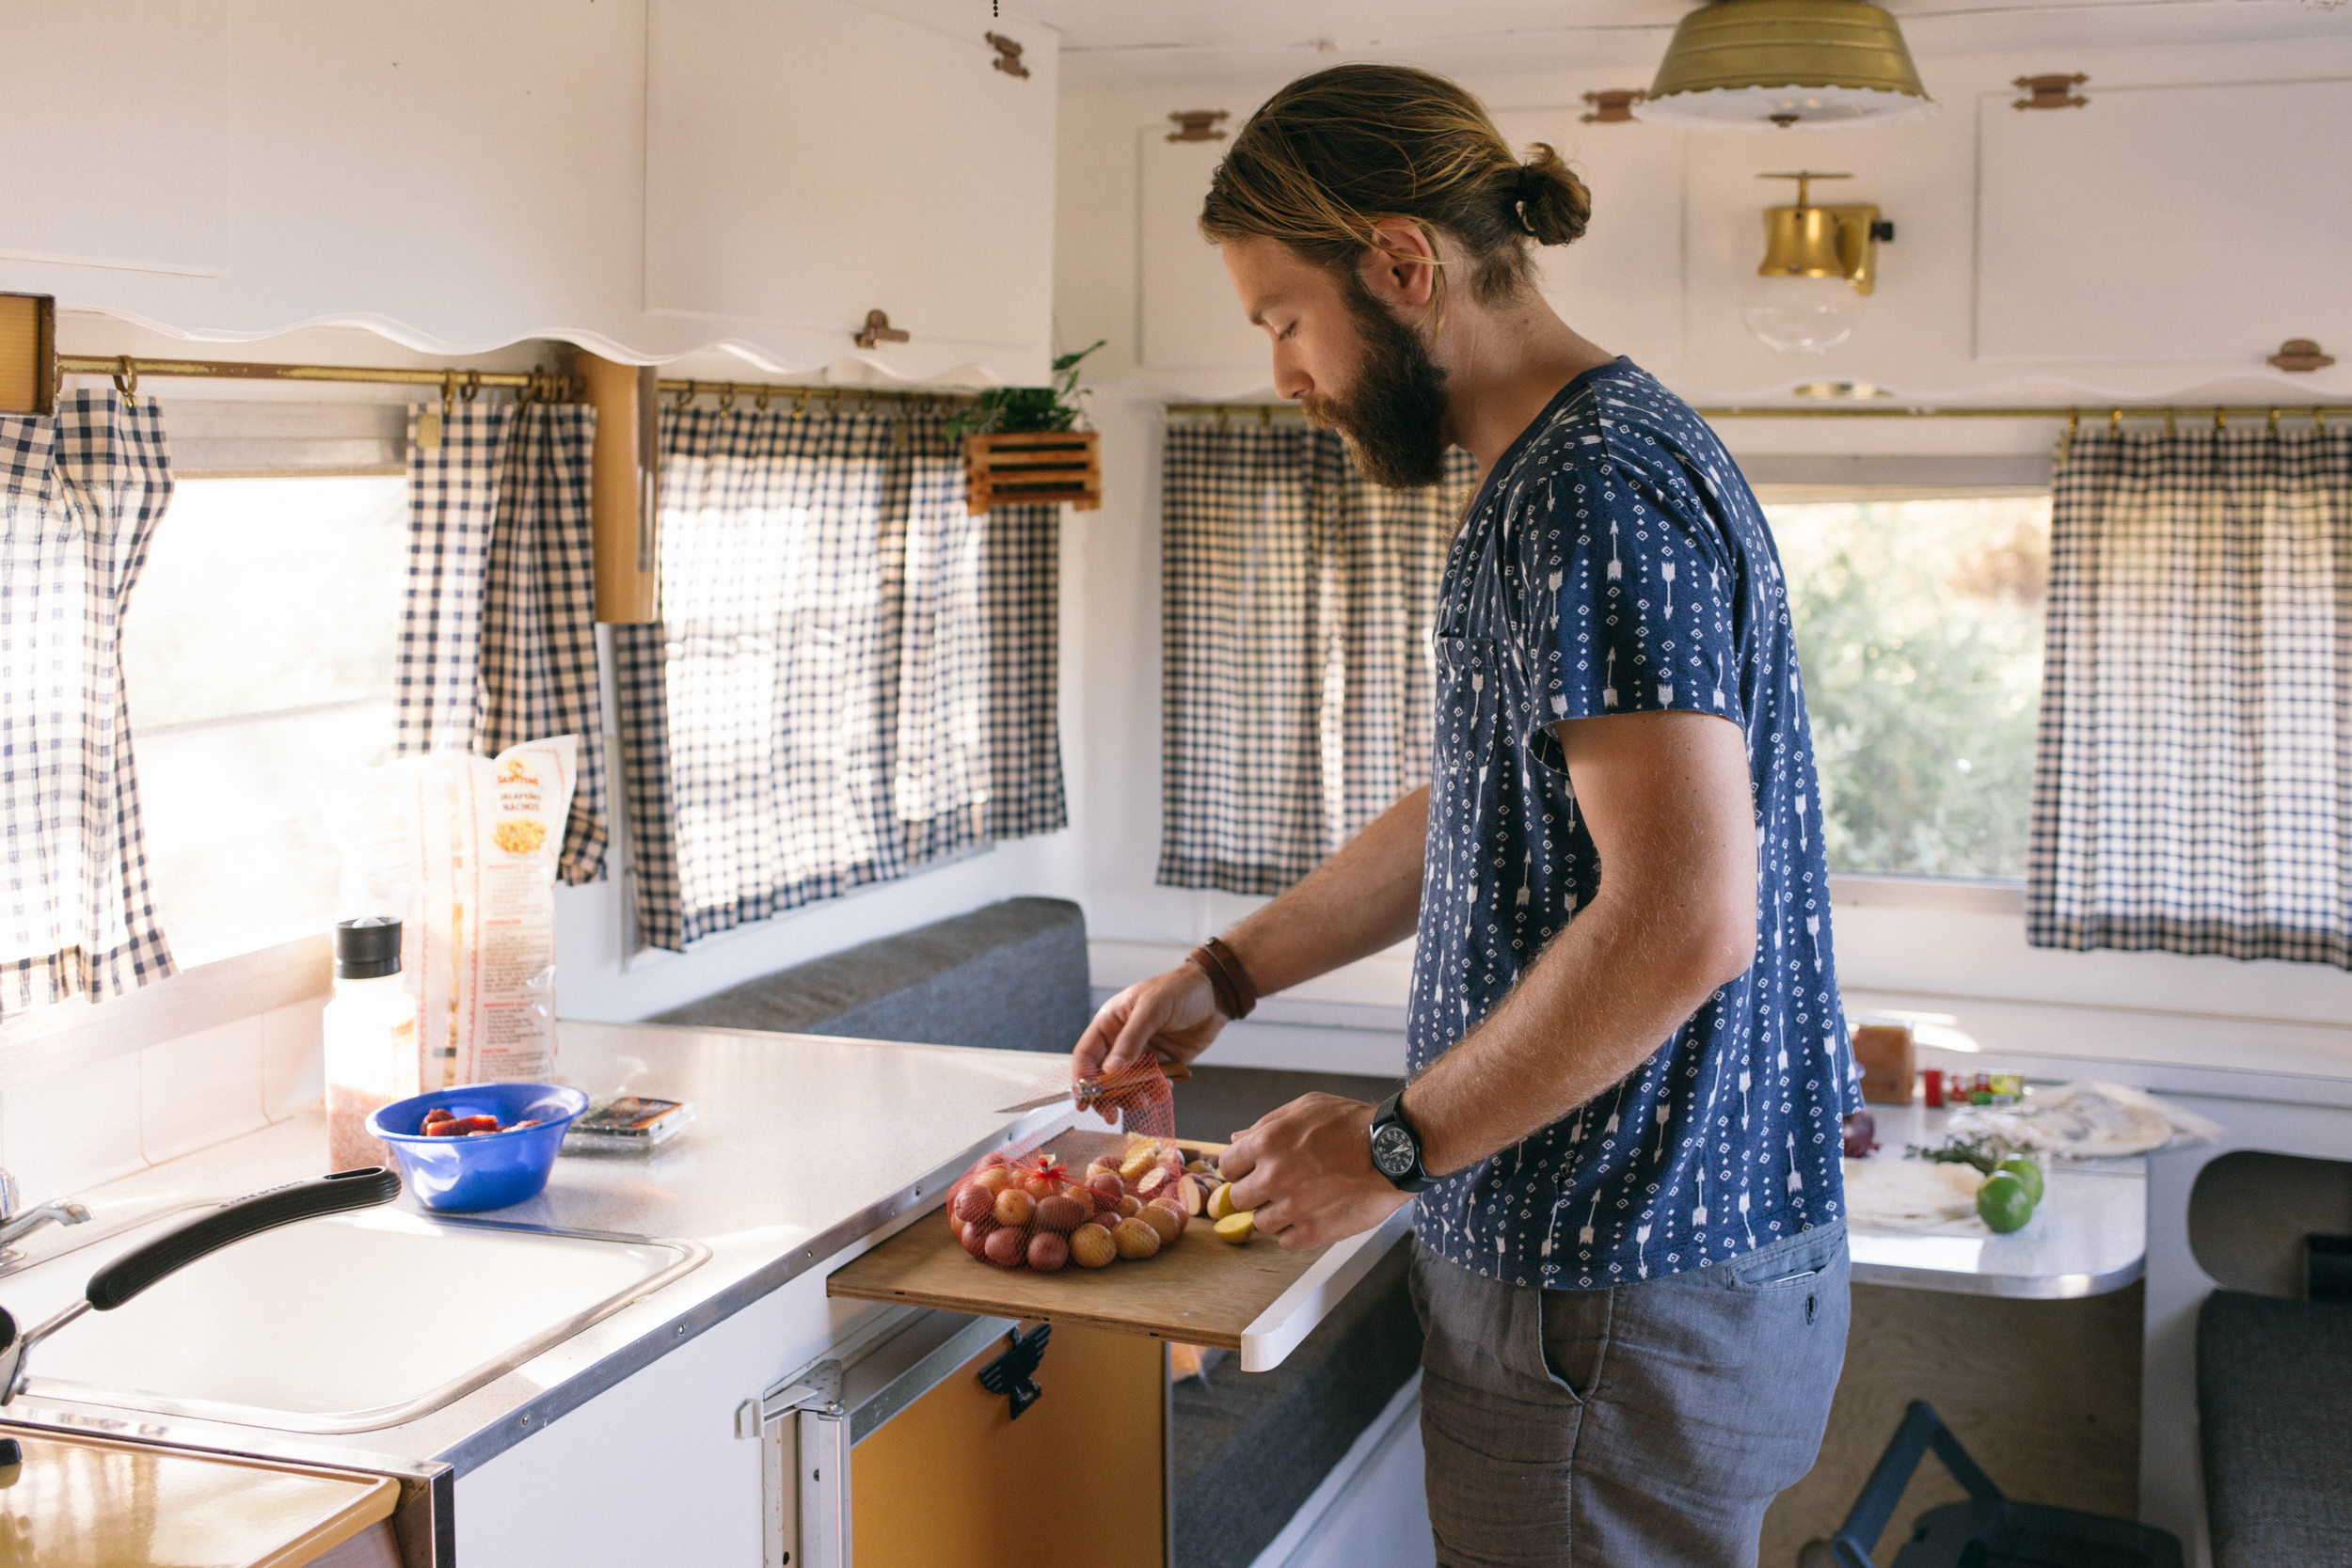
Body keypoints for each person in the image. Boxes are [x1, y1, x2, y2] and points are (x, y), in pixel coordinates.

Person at [1072, 64, 1857, 1568]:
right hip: (1643, 1285)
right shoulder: (1578, 463)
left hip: (1609, 1291)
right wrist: (1230, 972)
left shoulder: (1589, 495)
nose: (1285, 377)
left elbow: (1683, 918)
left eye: (1282, 321)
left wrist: (1392, 1147)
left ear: (1403, 266)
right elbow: (1485, 809)